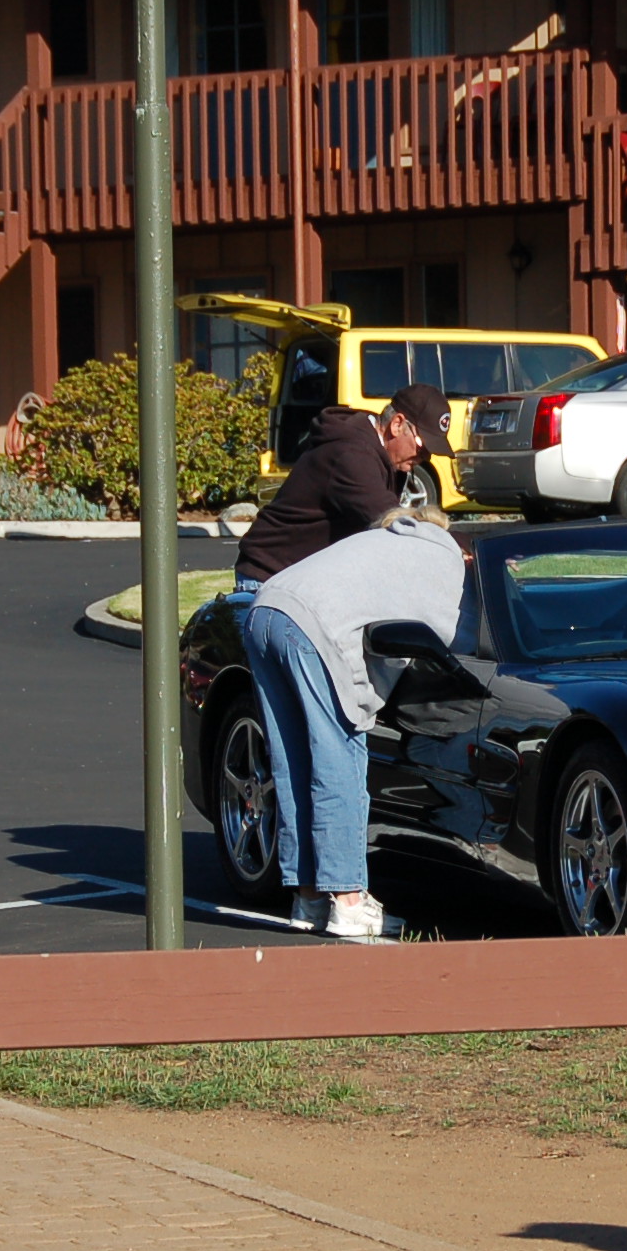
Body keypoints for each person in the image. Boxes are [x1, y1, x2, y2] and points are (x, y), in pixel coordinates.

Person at [243, 500, 467, 937]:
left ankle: (308, 899)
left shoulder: (380, 540)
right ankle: (348, 900)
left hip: (263, 608)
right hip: (309, 628)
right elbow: (444, 639)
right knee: (339, 757)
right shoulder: (442, 557)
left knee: (292, 762)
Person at [235, 382, 455, 584]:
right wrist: (455, 546)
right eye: (422, 446)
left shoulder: (380, 453)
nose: (425, 457)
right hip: (271, 575)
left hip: (304, 578)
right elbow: (391, 519)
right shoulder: (350, 454)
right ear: (397, 424)